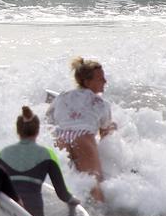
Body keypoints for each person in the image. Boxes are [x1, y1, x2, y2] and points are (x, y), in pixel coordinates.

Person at [46, 57, 116, 203]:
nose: (105, 81)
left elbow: (49, 120)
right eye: (100, 78)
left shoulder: (62, 96)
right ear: (87, 82)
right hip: (83, 138)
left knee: (64, 182)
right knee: (94, 184)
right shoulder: (101, 103)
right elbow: (105, 136)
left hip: (61, 137)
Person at [0, 106, 80, 216]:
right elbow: (62, 193)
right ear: (37, 130)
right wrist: (74, 201)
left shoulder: (3, 153)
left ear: (18, 130)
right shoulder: (47, 154)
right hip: (33, 208)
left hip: (11, 208)